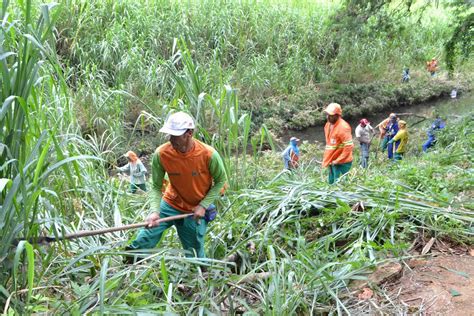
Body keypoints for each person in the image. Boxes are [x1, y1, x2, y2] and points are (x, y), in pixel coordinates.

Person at [126, 112, 227, 261]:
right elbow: (155, 186)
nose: (171, 139)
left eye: (175, 135)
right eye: (169, 135)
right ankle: (127, 264)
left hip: (194, 209)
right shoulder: (162, 154)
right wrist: (154, 211)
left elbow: (220, 181)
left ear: (189, 133)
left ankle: (201, 275)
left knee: (194, 252)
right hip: (170, 203)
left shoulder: (208, 154)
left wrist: (203, 205)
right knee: (144, 236)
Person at [322, 103, 354, 184]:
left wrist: (338, 160)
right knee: (331, 182)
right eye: (327, 115)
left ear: (337, 115)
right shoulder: (328, 125)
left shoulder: (343, 127)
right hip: (332, 160)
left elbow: (349, 146)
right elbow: (330, 144)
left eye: (331, 115)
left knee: (340, 184)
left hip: (342, 162)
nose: (328, 117)